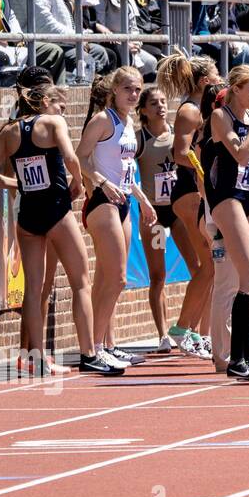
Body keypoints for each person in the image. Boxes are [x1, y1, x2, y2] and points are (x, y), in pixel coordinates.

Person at [0, 83, 121, 376]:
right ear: (45, 102)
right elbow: (72, 158)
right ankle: (89, 353)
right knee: (80, 282)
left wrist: (18, 184)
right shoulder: (53, 123)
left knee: (33, 289)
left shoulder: (9, 132)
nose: (62, 112)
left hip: (29, 215)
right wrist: (79, 183)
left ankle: (37, 358)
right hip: (57, 211)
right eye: (60, 106)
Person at [76, 66, 157, 370]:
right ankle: (94, 349)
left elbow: (127, 168)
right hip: (102, 201)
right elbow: (79, 157)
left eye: (137, 89)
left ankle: (107, 343)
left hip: (124, 199)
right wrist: (100, 181)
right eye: (128, 89)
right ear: (114, 91)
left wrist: (143, 199)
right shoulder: (102, 120)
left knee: (107, 280)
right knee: (118, 278)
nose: (134, 95)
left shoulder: (128, 121)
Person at [203, 64, 249, 381]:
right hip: (227, 199)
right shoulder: (222, 117)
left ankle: (244, 357)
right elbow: (241, 156)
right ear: (235, 90)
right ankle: (237, 359)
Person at [156, 53, 220, 359]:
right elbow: (179, 152)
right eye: (216, 75)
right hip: (187, 193)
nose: (220, 80)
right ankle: (183, 329)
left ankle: (192, 331)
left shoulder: (202, 109)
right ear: (205, 80)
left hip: (196, 192)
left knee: (208, 268)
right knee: (208, 266)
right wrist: (202, 169)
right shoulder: (189, 111)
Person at [134, 86, 178, 351]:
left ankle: (193, 329)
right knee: (158, 275)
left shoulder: (178, 133)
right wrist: (143, 204)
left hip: (180, 209)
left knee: (200, 266)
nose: (161, 106)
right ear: (144, 111)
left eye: (163, 101)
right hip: (155, 215)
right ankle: (163, 335)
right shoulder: (140, 138)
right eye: (154, 103)